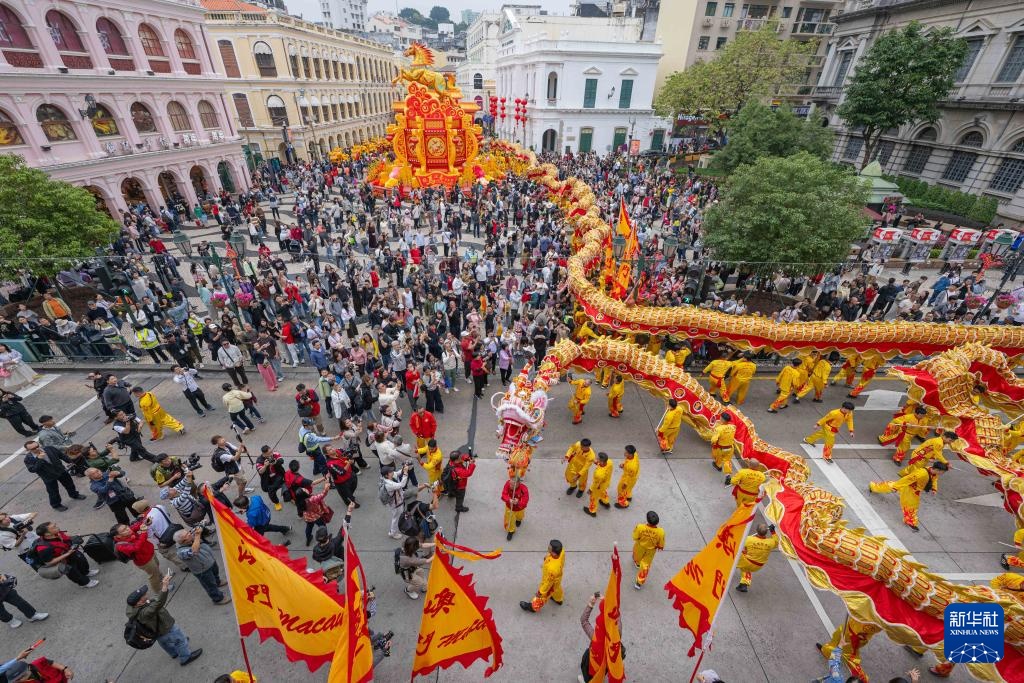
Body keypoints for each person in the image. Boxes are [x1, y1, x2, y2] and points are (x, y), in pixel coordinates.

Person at [125, 574, 203, 666]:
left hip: (156, 632)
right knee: (180, 639)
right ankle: (186, 657)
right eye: (144, 595)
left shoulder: (132, 608)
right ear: (139, 602)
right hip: (165, 628)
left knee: (163, 642)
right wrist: (165, 586)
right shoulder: (145, 613)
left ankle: (173, 653)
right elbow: (159, 603)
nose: (146, 593)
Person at [869, 461, 949, 531]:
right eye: (942, 472)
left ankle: (873, 486)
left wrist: (934, 488)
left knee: (890, 485)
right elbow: (907, 479)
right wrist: (896, 487)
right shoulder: (921, 473)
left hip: (911, 488)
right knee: (912, 505)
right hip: (910, 489)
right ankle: (910, 521)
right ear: (937, 470)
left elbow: (934, 479)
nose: (942, 474)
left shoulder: (933, 472)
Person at [31, 521, 99, 587]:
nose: (57, 527)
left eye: (55, 525)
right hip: (64, 561)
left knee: (82, 561)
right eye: (54, 527)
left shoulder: (57, 533)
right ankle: (85, 583)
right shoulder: (43, 548)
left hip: (71, 552)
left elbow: (66, 537)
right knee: (74, 573)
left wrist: (74, 537)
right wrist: (67, 554)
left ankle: (86, 572)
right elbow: (49, 562)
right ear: (47, 534)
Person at [814, 617, 882, 683]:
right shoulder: (836, 678)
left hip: (853, 634)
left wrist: (840, 645)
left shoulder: (836, 678)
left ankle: (826, 651)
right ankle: (826, 651)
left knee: (848, 652)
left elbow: (834, 663)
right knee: (850, 652)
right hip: (859, 635)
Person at [22, 440, 85, 511]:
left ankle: (74, 494)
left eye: (37, 446)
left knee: (69, 484)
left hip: (60, 471)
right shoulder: (28, 459)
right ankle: (56, 505)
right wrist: (39, 459)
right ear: (28, 450)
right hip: (48, 476)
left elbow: (62, 456)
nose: (37, 448)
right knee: (53, 492)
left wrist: (71, 461)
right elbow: (32, 469)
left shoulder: (49, 449)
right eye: (33, 448)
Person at [174, 527, 230, 605]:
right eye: (188, 534)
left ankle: (218, 581)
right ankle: (218, 598)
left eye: (189, 532)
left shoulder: (190, 538)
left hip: (210, 561)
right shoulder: (181, 552)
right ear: (184, 541)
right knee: (210, 585)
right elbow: (194, 551)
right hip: (202, 570)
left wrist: (201, 526)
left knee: (215, 574)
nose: (191, 534)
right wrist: (197, 535)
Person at [112, 522, 166, 594]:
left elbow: (138, 525)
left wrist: (144, 523)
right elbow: (136, 547)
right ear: (118, 536)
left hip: (150, 552)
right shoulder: (120, 546)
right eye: (124, 530)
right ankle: (159, 590)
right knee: (153, 575)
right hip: (145, 561)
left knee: (156, 566)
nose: (128, 529)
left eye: (126, 526)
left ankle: (162, 579)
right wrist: (143, 532)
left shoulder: (129, 531)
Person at [520, 539, 565, 613]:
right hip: (557, 578)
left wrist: (540, 593)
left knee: (542, 597)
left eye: (549, 548)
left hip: (550, 582)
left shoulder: (552, 569)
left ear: (554, 553)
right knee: (557, 588)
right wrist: (548, 557)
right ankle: (558, 599)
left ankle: (533, 607)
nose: (548, 548)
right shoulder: (561, 551)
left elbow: (547, 583)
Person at [735, 523, 778, 592]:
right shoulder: (770, 542)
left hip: (746, 561)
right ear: (766, 532)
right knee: (746, 568)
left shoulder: (749, 539)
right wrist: (773, 532)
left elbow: (739, 543)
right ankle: (744, 584)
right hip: (758, 565)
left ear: (757, 530)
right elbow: (776, 542)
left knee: (735, 558)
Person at [632, 510, 665, 589]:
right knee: (646, 566)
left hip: (640, 546)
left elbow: (635, 537)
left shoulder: (640, 527)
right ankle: (639, 583)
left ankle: (637, 563)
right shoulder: (661, 532)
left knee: (637, 557)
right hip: (651, 551)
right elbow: (661, 544)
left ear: (647, 519)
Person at [295, 479, 333, 546]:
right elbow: (322, 495)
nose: (305, 489)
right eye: (304, 490)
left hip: (307, 517)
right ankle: (325, 537)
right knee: (322, 527)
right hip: (317, 516)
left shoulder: (298, 501)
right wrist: (326, 487)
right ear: (304, 494)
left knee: (309, 528)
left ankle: (308, 538)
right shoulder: (311, 499)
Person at [256, 447, 286, 511]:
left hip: (278, 475)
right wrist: (265, 466)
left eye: (271, 451)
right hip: (268, 479)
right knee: (271, 492)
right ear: (264, 454)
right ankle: (276, 503)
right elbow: (260, 471)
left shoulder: (275, 454)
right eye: (269, 453)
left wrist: (275, 462)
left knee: (287, 485)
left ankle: (289, 497)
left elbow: (281, 460)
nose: (271, 454)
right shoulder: (259, 460)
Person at [583, 452, 613, 517]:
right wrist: (597, 462)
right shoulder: (609, 462)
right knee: (603, 492)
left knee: (593, 498)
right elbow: (603, 466)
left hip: (597, 487)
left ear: (602, 462)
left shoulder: (599, 474)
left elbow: (595, 484)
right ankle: (606, 502)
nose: (596, 459)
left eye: (598, 459)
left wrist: (590, 490)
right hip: (605, 484)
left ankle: (592, 511)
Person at [710, 412, 737, 482]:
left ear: (722, 419)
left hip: (721, 448)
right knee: (727, 461)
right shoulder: (733, 427)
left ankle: (718, 466)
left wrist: (713, 443)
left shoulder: (718, 429)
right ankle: (727, 475)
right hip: (730, 448)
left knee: (717, 457)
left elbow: (713, 440)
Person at [501, 476, 529, 541]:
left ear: (518, 483)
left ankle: (519, 520)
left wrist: (518, 502)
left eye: (513, 485)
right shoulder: (507, 484)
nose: (510, 486)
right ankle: (511, 531)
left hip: (519, 508)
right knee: (510, 520)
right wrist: (509, 500)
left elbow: (525, 501)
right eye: (510, 483)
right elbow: (503, 494)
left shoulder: (524, 489)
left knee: (520, 516)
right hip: (510, 507)